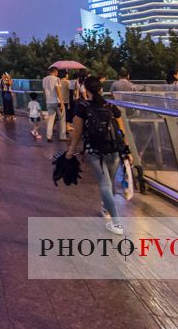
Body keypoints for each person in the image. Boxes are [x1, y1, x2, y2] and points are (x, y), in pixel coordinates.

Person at [64, 77, 128, 235]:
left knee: (104, 184)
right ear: (101, 89)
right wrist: (126, 150)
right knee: (110, 182)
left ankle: (117, 223)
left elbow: (77, 132)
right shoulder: (111, 107)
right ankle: (106, 208)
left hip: (94, 151)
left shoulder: (82, 106)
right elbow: (121, 131)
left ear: (86, 90)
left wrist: (71, 150)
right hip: (113, 150)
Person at [44, 67, 65, 142]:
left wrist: (46, 100)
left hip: (49, 101)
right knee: (62, 118)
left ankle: (49, 136)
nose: (57, 73)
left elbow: (44, 91)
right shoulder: (57, 79)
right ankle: (62, 136)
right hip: (57, 101)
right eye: (57, 72)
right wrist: (62, 102)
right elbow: (58, 90)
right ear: (55, 72)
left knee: (50, 119)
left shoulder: (44, 79)